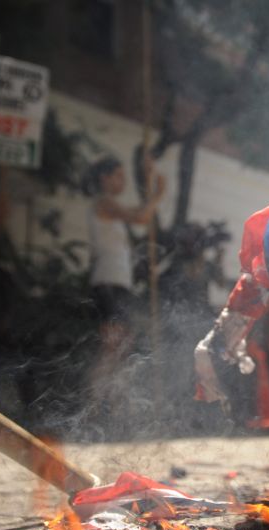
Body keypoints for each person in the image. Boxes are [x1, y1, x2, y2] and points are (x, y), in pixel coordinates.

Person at [85, 154, 165, 402]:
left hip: (118, 284)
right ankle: (96, 403)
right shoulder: (104, 203)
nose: (123, 181)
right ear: (104, 178)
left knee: (122, 344)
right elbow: (142, 217)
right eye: (118, 175)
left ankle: (110, 400)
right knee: (112, 346)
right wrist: (159, 191)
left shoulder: (111, 207)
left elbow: (141, 214)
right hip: (108, 283)